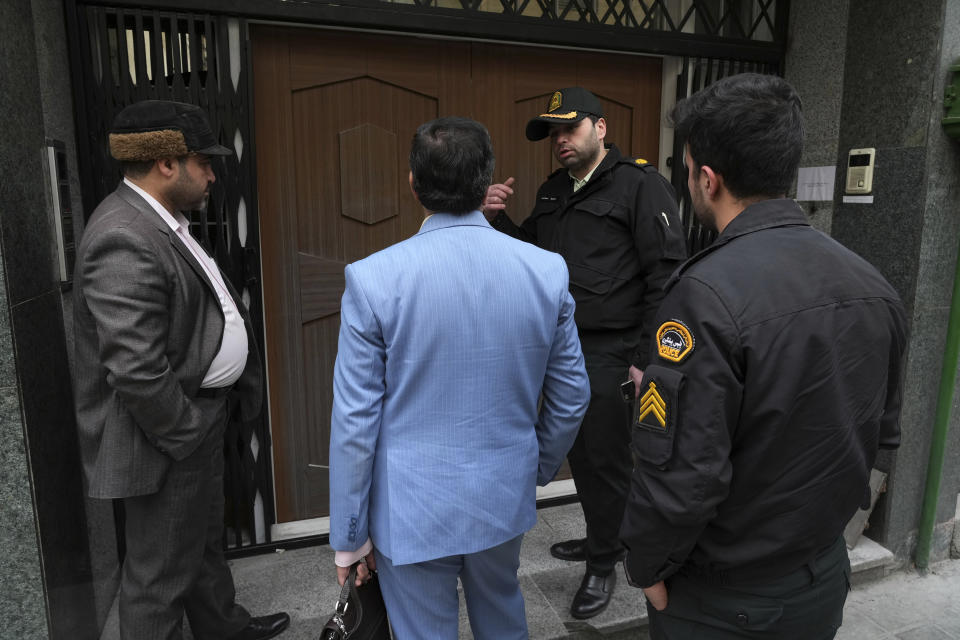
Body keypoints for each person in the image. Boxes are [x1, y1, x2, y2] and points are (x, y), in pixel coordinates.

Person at [619, 73, 907, 639]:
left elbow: (681, 473)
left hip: (727, 600)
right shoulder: (873, 283)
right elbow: (883, 436)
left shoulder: (702, 296)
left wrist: (645, 566)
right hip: (820, 579)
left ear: (708, 178)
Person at [328, 116, 590, 639]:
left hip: (411, 507)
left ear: (412, 182)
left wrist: (350, 536)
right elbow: (571, 394)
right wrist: (532, 465)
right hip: (501, 491)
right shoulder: (546, 270)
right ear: (486, 179)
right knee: (503, 616)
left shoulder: (374, 278)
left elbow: (355, 419)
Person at [73, 100, 290, 640]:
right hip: (167, 435)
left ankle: (224, 629)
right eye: (204, 162)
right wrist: (189, 433)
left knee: (200, 541)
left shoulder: (162, 221)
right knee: (157, 578)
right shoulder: (124, 234)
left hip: (194, 417)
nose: (214, 173)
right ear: (167, 163)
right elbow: (136, 369)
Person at [483, 87, 687, 618]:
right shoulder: (554, 190)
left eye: (569, 128)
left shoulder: (640, 186)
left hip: (612, 349)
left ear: (600, 127)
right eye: (554, 132)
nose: (560, 140)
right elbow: (533, 256)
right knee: (575, 450)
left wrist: (647, 356)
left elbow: (667, 276)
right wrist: (497, 220)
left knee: (604, 460)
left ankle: (603, 563)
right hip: (559, 345)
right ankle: (608, 534)